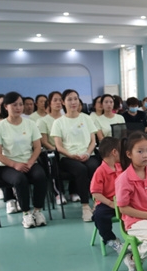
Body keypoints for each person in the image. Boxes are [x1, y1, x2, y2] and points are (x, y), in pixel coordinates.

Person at [0, 91, 48, 228]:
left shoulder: (30, 124)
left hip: (29, 162)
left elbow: (37, 148)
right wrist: (15, 165)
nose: (18, 108)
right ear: (6, 106)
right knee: (20, 179)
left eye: (21, 104)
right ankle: (26, 213)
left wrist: (30, 162)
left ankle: (37, 211)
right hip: (7, 165)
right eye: (14, 105)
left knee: (40, 176)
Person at [51, 89, 100, 221]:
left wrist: (87, 153)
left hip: (87, 154)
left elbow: (93, 141)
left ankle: (97, 203)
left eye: (75, 99)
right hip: (68, 157)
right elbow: (59, 147)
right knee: (81, 169)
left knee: (94, 167)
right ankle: (85, 206)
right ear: (63, 102)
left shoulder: (87, 118)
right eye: (69, 99)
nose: (73, 102)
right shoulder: (58, 122)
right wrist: (71, 155)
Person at [114, 132, 147, 271]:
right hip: (134, 222)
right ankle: (133, 258)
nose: (145, 155)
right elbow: (123, 209)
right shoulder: (124, 178)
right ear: (129, 154)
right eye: (140, 151)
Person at [90, 137, 123, 253]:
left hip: (122, 201)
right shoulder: (100, 171)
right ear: (114, 152)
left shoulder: (120, 167)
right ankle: (110, 240)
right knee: (99, 215)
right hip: (107, 203)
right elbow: (95, 193)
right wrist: (110, 203)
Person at [37, 91, 69, 205]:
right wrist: (57, 150)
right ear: (49, 103)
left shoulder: (67, 118)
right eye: (55, 100)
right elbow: (44, 141)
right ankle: (58, 193)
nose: (58, 102)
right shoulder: (43, 121)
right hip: (52, 151)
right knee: (53, 161)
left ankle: (74, 191)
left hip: (68, 150)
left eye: (60, 100)